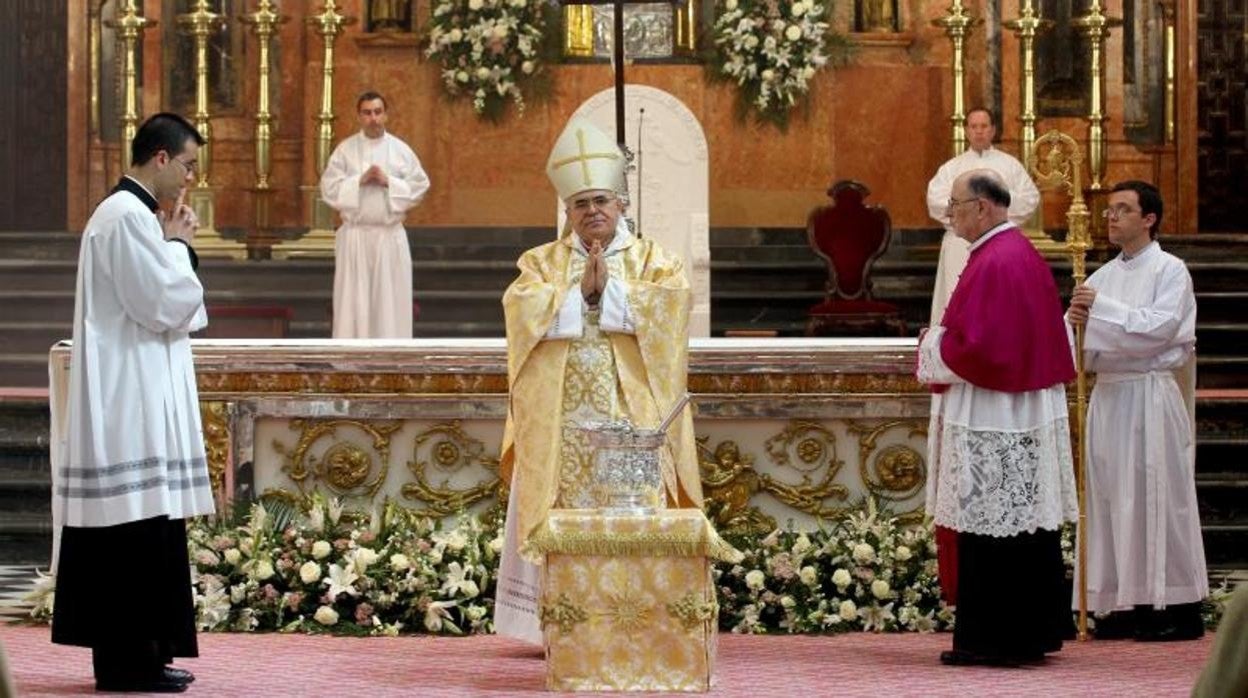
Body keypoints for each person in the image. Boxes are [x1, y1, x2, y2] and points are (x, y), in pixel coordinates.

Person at [493, 118, 704, 644]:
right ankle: (561, 624)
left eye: (601, 201)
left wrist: (614, 295)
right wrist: (577, 295)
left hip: (631, 417)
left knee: (629, 502)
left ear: (622, 205)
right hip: (561, 421)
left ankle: (635, 615)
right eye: (581, 203)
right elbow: (519, 312)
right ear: (566, 211)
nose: (592, 211)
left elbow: (673, 310)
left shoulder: (656, 260)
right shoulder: (540, 263)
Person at [52, 113, 215, 693]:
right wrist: (182, 249)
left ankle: (147, 653)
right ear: (162, 158)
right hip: (126, 400)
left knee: (148, 528)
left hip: (137, 389)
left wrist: (170, 244)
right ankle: (126, 662)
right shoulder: (123, 218)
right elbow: (161, 301)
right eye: (189, 165)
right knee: (131, 531)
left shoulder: (136, 216)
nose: (192, 178)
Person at [917, 169, 1078, 666]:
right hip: (1012, 412)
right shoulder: (1013, 253)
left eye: (956, 206)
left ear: (983, 207)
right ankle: (1030, 633)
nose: (950, 216)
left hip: (997, 414)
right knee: (1019, 527)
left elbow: (982, 349)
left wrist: (932, 343)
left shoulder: (997, 259)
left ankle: (995, 639)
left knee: (993, 527)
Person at [1067, 180, 1207, 641]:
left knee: (1158, 497)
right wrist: (1083, 328)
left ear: (1149, 218)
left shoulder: (1171, 270)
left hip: (1149, 395)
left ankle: (1179, 609)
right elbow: (1085, 350)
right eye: (1109, 210)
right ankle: (1125, 603)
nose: (1111, 217)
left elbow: (1159, 331)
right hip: (1110, 395)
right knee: (1112, 498)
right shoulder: (1101, 276)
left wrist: (1103, 317)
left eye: (1123, 210)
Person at [320, 91, 431, 339]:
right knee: (353, 300)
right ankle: (351, 355)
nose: (373, 118)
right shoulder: (345, 151)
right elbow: (328, 189)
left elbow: (420, 185)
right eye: (367, 113)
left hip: (388, 236)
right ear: (359, 117)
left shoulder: (401, 150)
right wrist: (358, 181)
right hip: (356, 237)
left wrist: (388, 181)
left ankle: (393, 354)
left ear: (386, 115)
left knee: (390, 300)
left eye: (378, 112)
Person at [925, 107, 1041, 326]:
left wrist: (990, 206)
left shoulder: (1010, 166)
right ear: (966, 131)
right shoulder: (951, 168)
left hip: (1000, 247)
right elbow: (936, 201)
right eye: (974, 126)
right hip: (960, 245)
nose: (979, 131)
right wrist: (974, 210)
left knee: (997, 303)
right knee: (955, 298)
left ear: (993, 130)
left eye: (984, 126)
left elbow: (1029, 199)